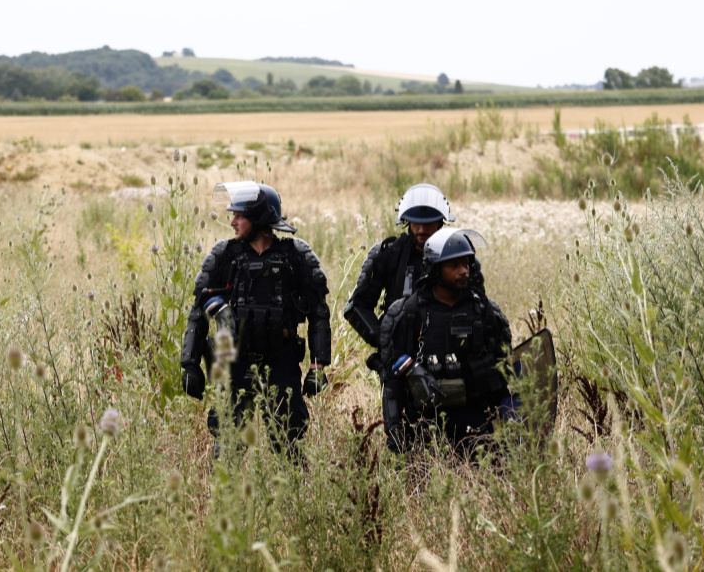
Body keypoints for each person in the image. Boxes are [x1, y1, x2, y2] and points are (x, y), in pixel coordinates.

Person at [180, 181, 331, 454]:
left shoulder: (295, 256)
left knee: (287, 445)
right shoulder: (224, 256)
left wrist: (318, 367)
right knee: (226, 448)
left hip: (281, 362)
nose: (233, 222)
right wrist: (190, 364)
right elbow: (198, 310)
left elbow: (319, 312)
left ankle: (292, 496)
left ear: (260, 218)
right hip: (235, 365)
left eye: (239, 216)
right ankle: (226, 498)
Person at [377, 228, 512, 456]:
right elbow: (392, 380)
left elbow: (507, 372)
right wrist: (394, 430)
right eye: (454, 266)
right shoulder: (409, 313)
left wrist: (510, 427)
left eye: (466, 264)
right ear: (435, 269)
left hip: (477, 427)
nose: (463, 272)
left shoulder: (485, 311)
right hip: (425, 428)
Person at [344, 184, 483, 367]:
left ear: (441, 221)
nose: (421, 230)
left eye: (428, 223)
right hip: (401, 359)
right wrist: (385, 341)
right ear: (406, 222)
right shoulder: (391, 254)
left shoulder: (460, 257)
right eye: (415, 223)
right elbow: (357, 307)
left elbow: (480, 307)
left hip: (452, 354)